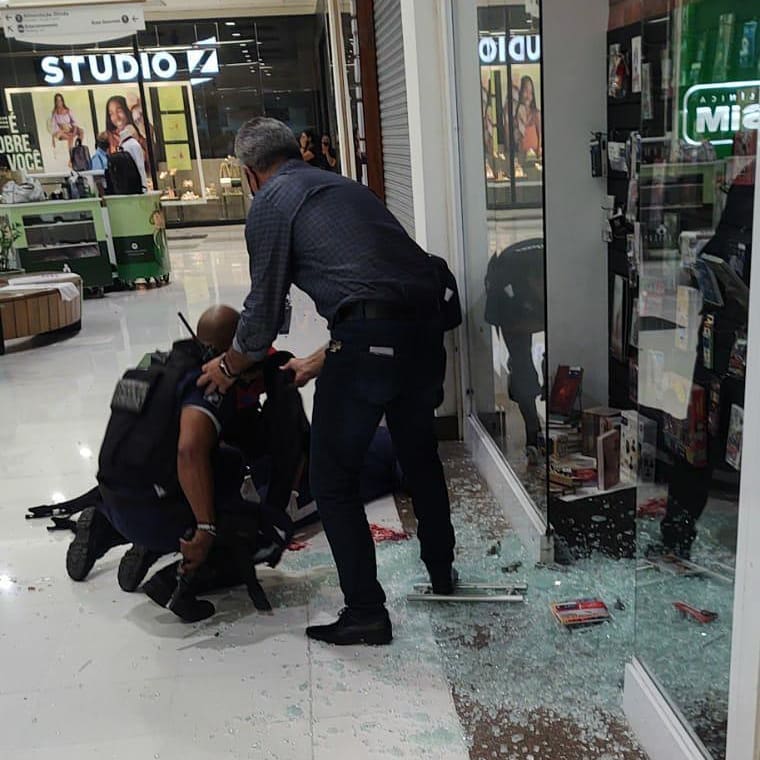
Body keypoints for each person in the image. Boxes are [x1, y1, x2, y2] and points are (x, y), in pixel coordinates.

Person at [198, 117, 457, 646]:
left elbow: (262, 313)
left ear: (251, 174)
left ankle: (365, 611)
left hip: (369, 342)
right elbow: (375, 290)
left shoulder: (271, 203)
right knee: (419, 453)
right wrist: (321, 361)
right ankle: (442, 571)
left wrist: (227, 366)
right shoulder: (344, 187)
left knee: (333, 479)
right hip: (424, 335)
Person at [65, 305, 293, 621]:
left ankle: (108, 530)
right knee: (266, 529)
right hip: (155, 512)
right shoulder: (206, 381)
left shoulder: (149, 366)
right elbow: (189, 451)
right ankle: (176, 578)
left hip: (112, 496)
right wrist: (205, 527)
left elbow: (141, 439)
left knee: (210, 463)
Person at [484, 238, 546, 459]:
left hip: (533, 276)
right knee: (522, 365)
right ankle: (532, 431)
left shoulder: (557, 272)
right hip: (508, 301)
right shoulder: (504, 286)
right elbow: (513, 327)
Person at [513, 75, 541, 158]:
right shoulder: (516, 115)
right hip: (521, 157)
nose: (528, 96)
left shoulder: (536, 114)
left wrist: (538, 154)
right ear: (520, 92)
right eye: (525, 91)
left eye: (531, 92)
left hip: (534, 157)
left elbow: (540, 135)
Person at [118, 126, 148, 192]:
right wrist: (144, 184)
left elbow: (140, 166)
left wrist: (143, 184)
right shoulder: (132, 145)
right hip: (134, 183)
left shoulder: (131, 145)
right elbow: (140, 166)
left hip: (131, 184)